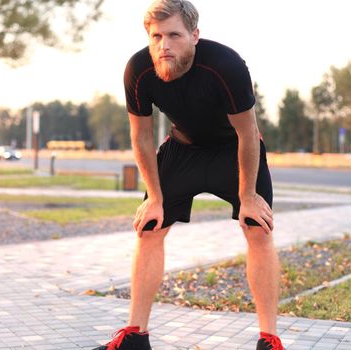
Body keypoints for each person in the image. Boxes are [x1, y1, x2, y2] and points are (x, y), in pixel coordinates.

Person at [93, 1, 283, 349]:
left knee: (258, 228)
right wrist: (155, 197)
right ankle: (135, 336)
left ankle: (269, 339)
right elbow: (141, 136)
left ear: (194, 35)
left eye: (174, 35)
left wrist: (247, 197)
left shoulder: (226, 65)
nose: (164, 45)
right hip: (183, 150)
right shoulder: (139, 69)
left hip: (234, 150)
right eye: (156, 36)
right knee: (149, 227)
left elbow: (247, 132)